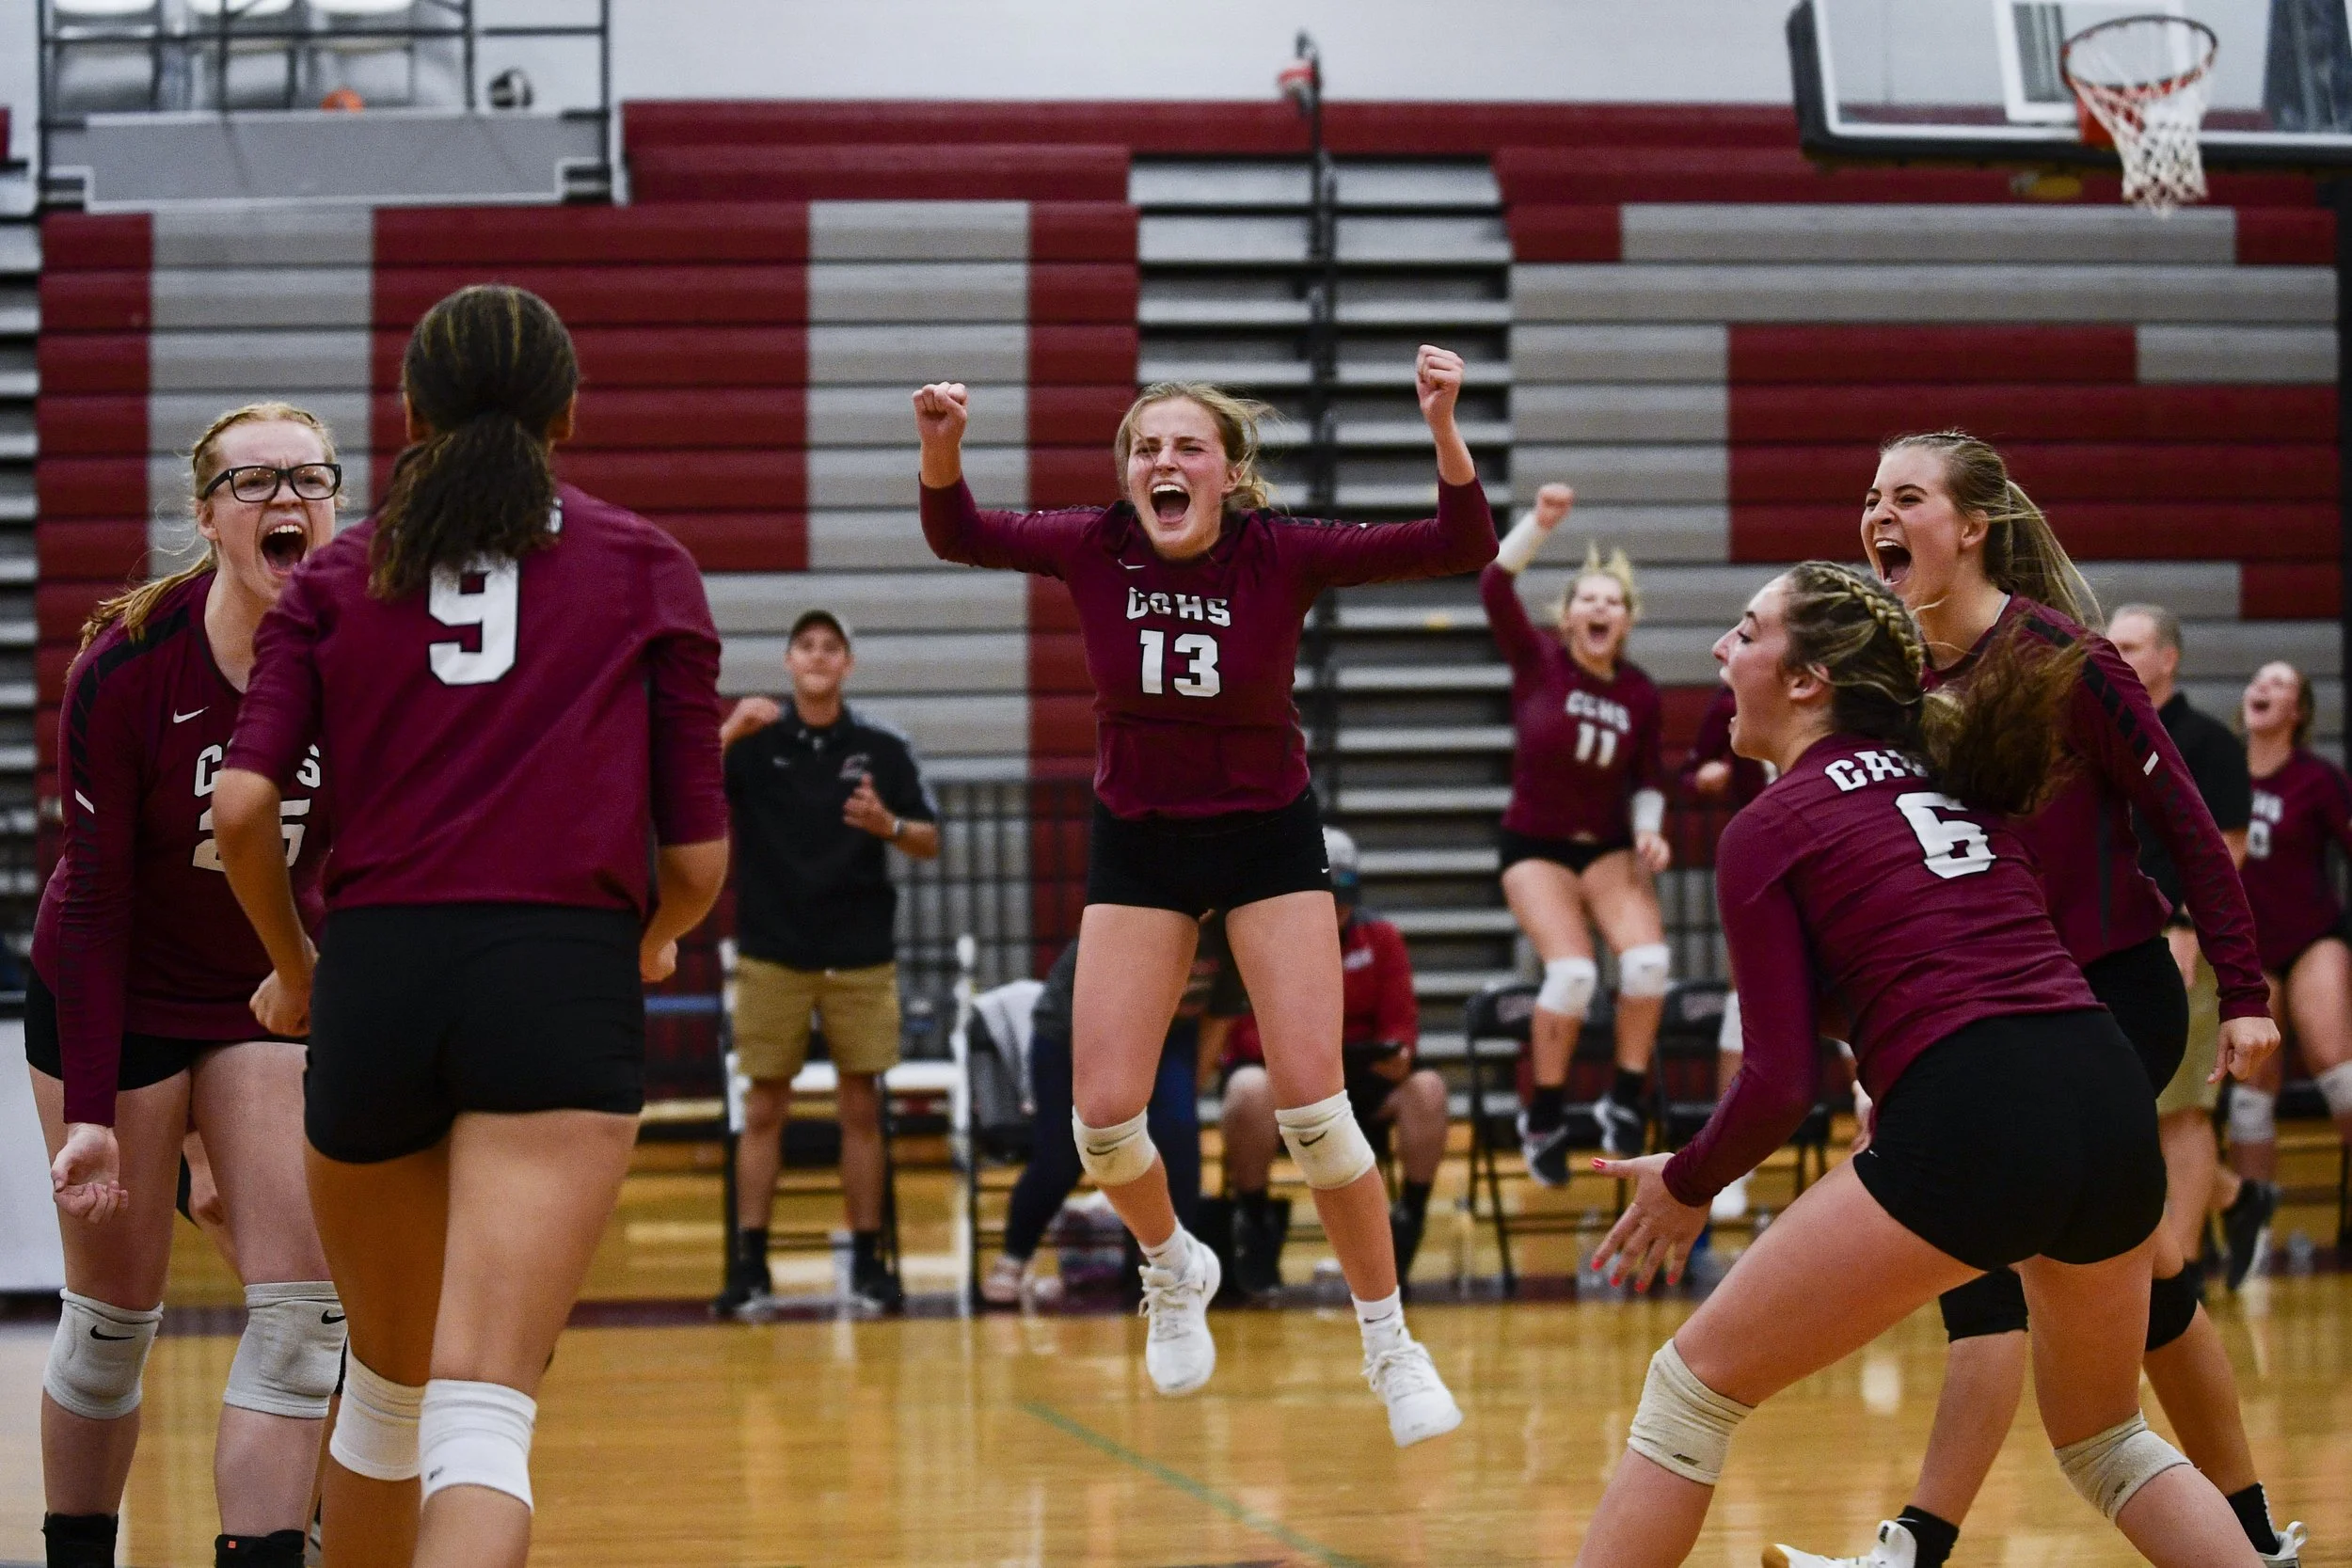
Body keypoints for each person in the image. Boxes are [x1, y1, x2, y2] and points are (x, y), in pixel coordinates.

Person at [1574, 561, 2267, 1568]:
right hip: (2107, 1087)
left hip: (1979, 1103)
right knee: (2107, 1438)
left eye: (1745, 630)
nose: (1722, 650)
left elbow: (1777, 1081)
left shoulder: (1770, 824)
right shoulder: (1953, 786)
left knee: (1689, 1392)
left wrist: (1684, 1186)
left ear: (1807, 679)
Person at [214, 284, 728, 1568]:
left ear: (408, 412)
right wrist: (659, 931)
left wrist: (295, 969)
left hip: (380, 969)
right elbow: (700, 851)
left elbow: (241, 809)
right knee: (484, 1415)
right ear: (566, 411)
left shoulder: (337, 573)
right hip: (560, 971)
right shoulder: (643, 561)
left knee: (384, 1395)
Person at [914, 346, 1487, 1445]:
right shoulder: (1096, 543)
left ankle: (1388, 1341)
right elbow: (959, 532)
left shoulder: (1281, 552)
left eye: (1187, 446)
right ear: (1128, 470)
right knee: (1100, 1122)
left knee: (1315, 1110)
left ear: (1229, 472)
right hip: (1141, 840)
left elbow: (1461, 543)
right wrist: (943, 447)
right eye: (1146, 446)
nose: (1163, 460)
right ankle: (1175, 1265)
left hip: (1266, 836)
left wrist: (1443, 423)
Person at [1778, 432, 2300, 1568]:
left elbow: (2186, 835)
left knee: (1990, 1259)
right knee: (2145, 1286)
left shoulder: (2065, 657)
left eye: (1905, 495)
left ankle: (1916, 1545)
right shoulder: (1892, 681)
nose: (1877, 513)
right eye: (1869, 495)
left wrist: (2247, 990)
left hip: (2103, 997)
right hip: (1980, 1008)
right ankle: (2248, 1533)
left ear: (1969, 526)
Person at [30, 403, 343, 1568]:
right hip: (113, 982)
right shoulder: (126, 665)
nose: (285, 499)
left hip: (263, 992)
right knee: (113, 1322)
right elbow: (98, 897)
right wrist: (102, 1120)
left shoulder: (365, 650)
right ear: (205, 514)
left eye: (309, 477)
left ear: (336, 504)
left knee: (305, 1316)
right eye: (252, 481)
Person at [713, 609, 941, 1318]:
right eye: (805, 646)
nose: (817, 656)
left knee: (860, 1107)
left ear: (848, 665)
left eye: (830, 647)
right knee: (763, 1108)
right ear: (788, 662)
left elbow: (929, 838)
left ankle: (870, 1259)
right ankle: (750, 1264)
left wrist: (889, 826)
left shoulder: (881, 747)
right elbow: (684, 794)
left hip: (859, 955)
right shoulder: (753, 745)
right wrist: (723, 732)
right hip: (772, 952)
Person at [1481, 481, 1670, 1180]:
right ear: (1565, 617)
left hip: (1609, 846)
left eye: (1612, 601)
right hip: (1537, 845)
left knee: (1648, 964)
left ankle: (1623, 1097)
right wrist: (1540, 522)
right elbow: (1495, 583)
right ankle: (1545, 1112)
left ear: (1626, 620)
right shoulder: (1538, 664)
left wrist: (1650, 831)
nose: (1600, 607)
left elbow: (1649, 774)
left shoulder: (1640, 691)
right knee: (1573, 971)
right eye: (1587, 598)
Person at [2107, 605, 2275, 1291]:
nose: (2116, 655)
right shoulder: (2109, 731)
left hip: (2183, 943)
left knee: (2181, 1107)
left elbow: (2228, 846)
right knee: (2132, 1105)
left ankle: (2179, 1272)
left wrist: (2184, 922)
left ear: (2168, 657)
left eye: (2131, 645)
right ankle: (2235, 1195)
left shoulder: (2206, 741)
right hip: (2117, 938)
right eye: (2110, 645)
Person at [1219, 828, 1450, 1291]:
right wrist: (1304, 1054)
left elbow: (1402, 1021)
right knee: (1245, 1090)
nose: (1337, 909)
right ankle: (1254, 1220)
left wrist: (1399, 1054)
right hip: (1286, 1081)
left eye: (1344, 898)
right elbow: (1242, 1035)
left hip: (1363, 1081)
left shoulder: (1381, 939)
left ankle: (1408, 1220)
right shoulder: (1259, 940)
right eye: (1326, 898)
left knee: (1429, 1090)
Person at [978, 915, 1245, 1307]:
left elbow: (1217, 1022)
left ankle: (1170, 1270)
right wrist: (1099, 1103)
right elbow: (1085, 1020)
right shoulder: (1127, 917)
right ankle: (1013, 1258)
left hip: (1170, 1036)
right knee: (1062, 1159)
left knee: (1178, 1137)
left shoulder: (1234, 930)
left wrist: (1185, 1092)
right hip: (1075, 1032)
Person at [2233, 659, 2352, 1220]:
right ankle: (2252, 1236)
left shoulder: (2317, 778)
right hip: (2245, 950)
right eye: (2259, 680)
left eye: (2279, 683)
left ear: (2297, 712)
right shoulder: (2219, 769)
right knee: (2249, 1097)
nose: (2263, 687)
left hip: (2310, 937)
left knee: (2337, 1067)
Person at [1677, 685, 1772, 1223]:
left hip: (1836, 848)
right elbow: (1691, 774)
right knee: (1748, 999)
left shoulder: (1843, 683)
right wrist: (1706, 778)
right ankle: (1731, 1164)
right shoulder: (1729, 700)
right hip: (1767, 853)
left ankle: (1875, 1127)